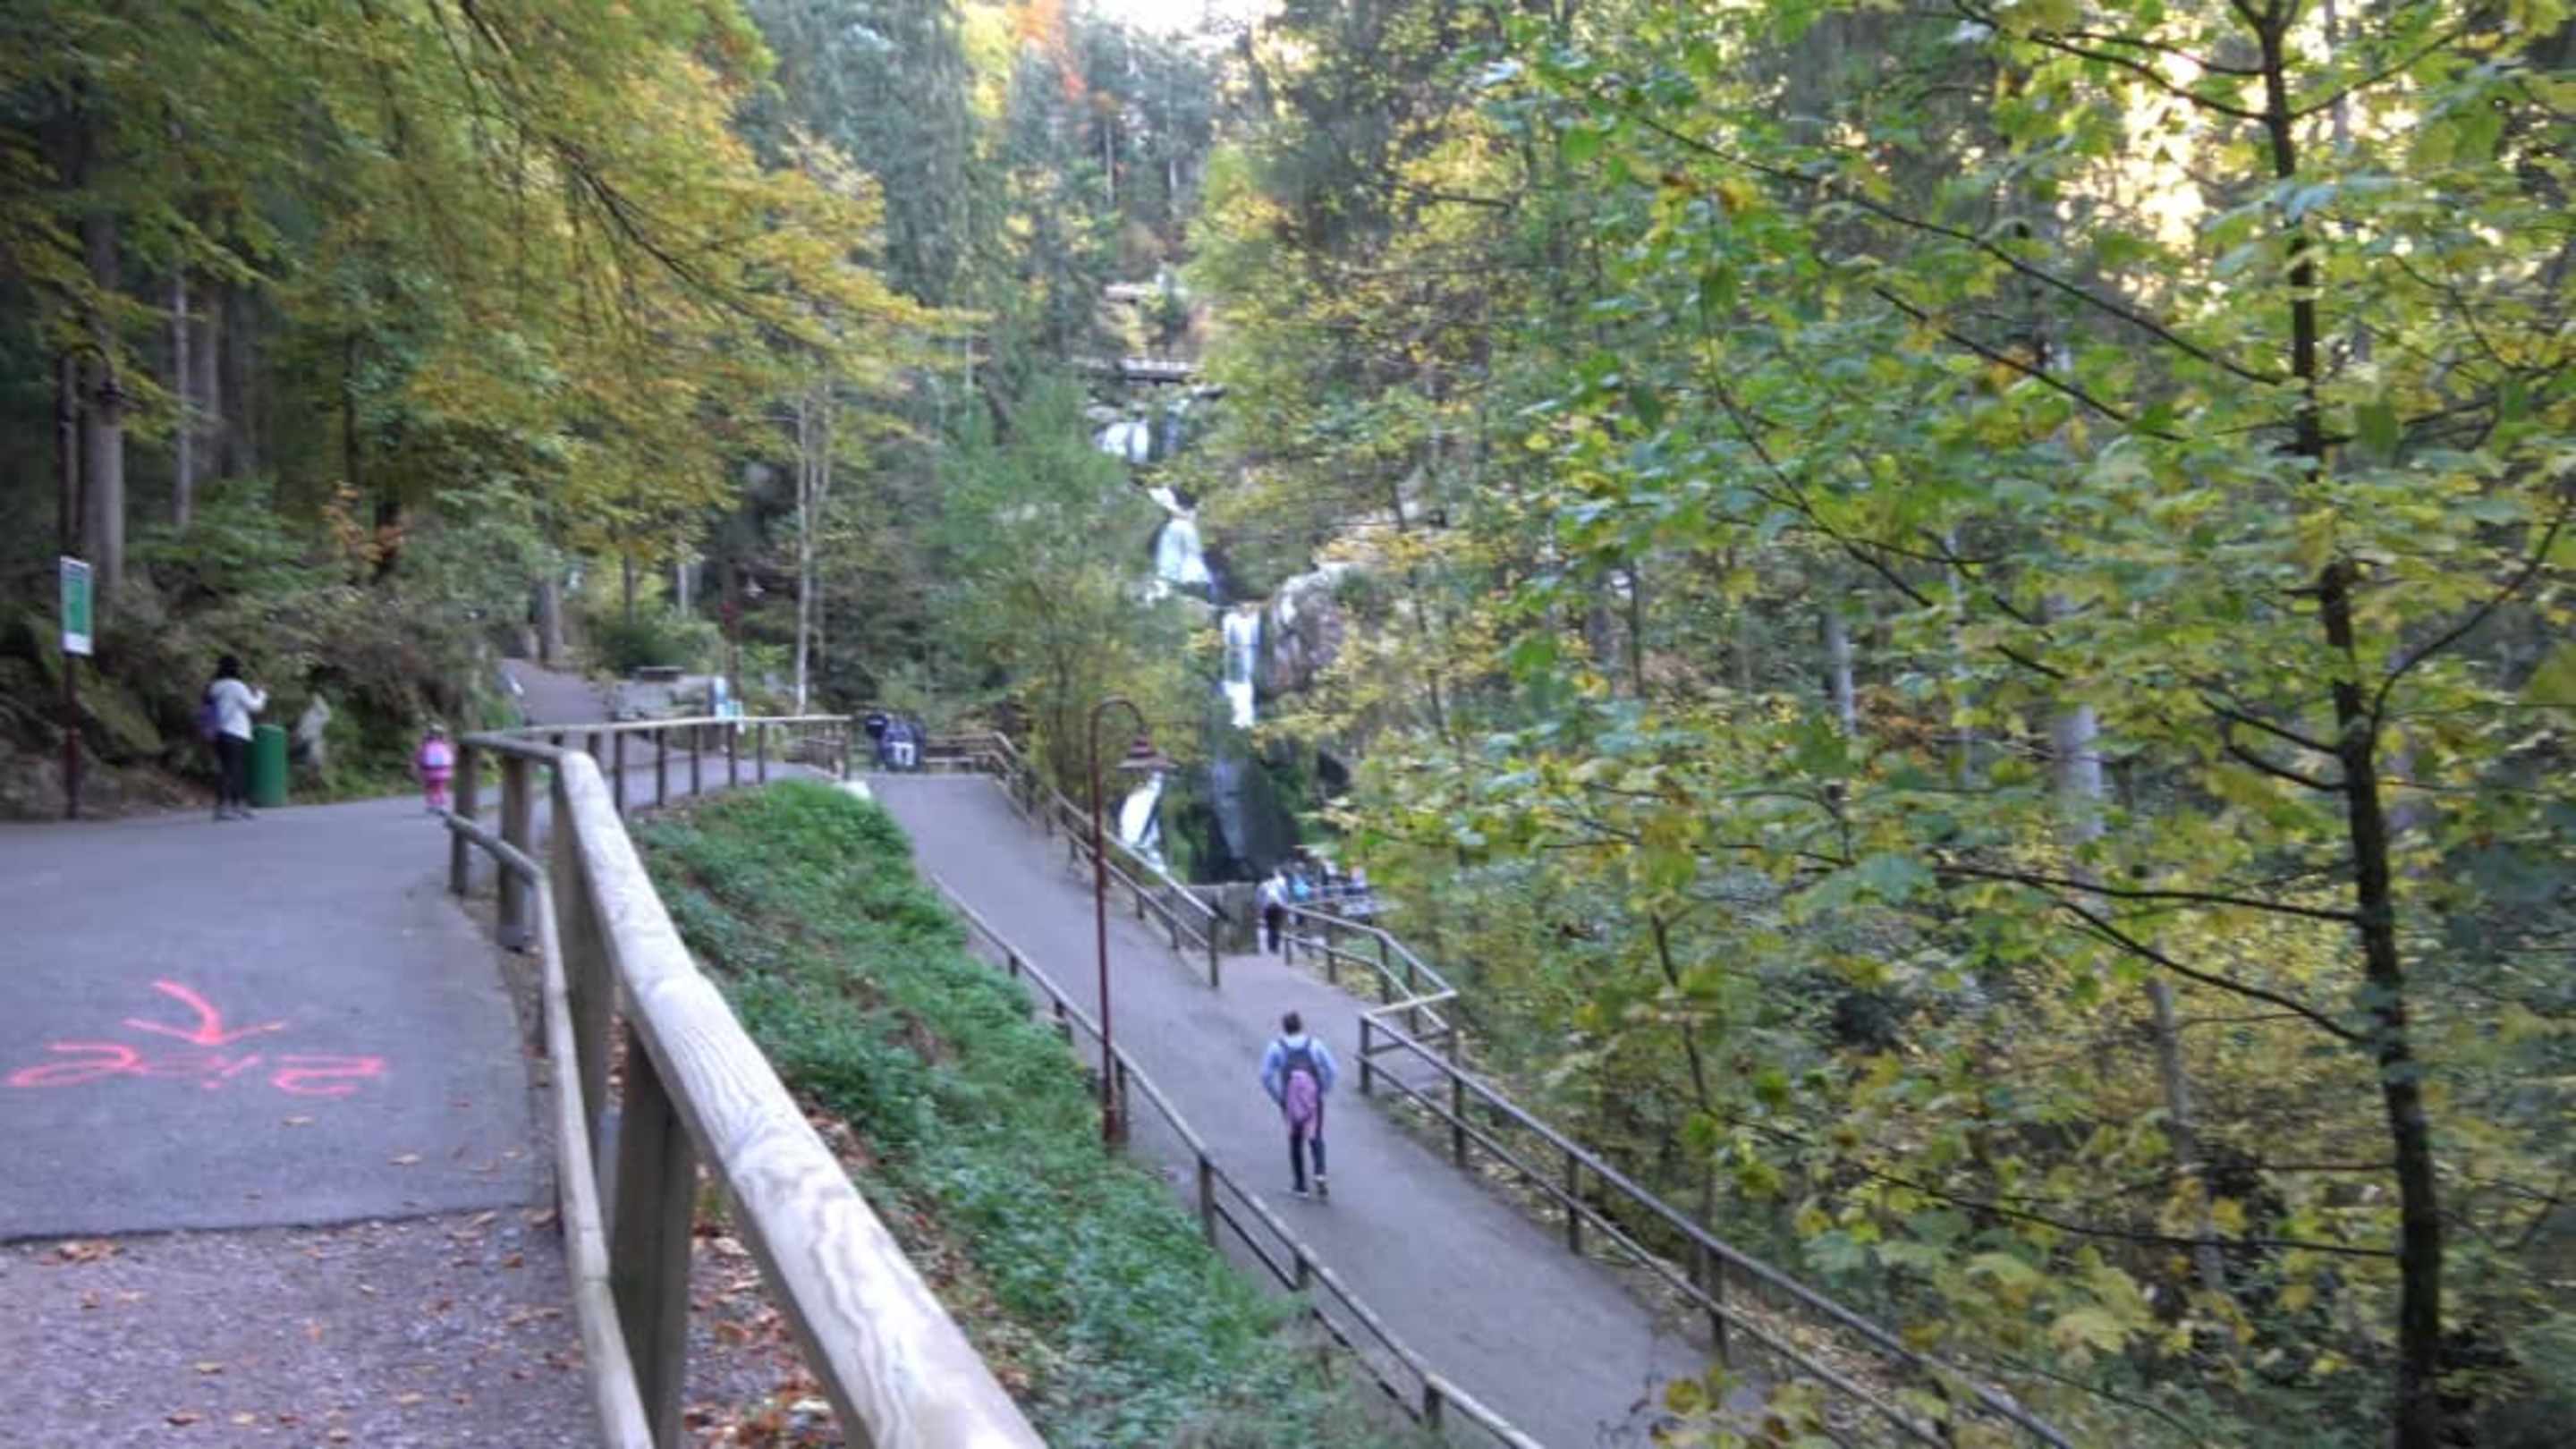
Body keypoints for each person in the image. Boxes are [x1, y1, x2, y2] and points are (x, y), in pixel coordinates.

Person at [1260, 1012, 1337, 1199]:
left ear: (1284, 1027)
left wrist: (1279, 1097)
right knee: (1316, 1135)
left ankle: (1300, 1186)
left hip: (1290, 1100)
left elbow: (1266, 1076)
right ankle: (1320, 1172)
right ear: (1301, 1025)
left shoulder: (1276, 1047)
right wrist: (1323, 1089)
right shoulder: (1315, 1045)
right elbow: (1332, 1069)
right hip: (1312, 1099)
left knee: (1295, 1140)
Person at [205, 655, 268, 821]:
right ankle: (232, 807)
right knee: (235, 770)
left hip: (218, 733)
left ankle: (228, 806)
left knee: (226, 769)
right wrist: (261, 694)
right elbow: (254, 707)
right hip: (236, 732)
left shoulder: (214, 686)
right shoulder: (236, 686)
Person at [416, 723, 455, 815]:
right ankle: (442, 805)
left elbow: (418, 757)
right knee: (441, 788)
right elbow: (452, 757)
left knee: (429, 788)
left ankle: (432, 804)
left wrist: (419, 767)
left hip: (429, 771)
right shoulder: (446, 745)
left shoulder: (424, 746)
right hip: (444, 771)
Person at [1256, 868, 1291, 954]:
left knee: (1270, 926)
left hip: (1268, 908)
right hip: (1278, 907)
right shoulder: (1279, 885)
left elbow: (1258, 898)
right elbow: (1286, 895)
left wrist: (1261, 908)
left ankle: (1271, 946)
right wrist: (1285, 905)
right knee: (1277, 926)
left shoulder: (1262, 885)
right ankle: (1276, 947)